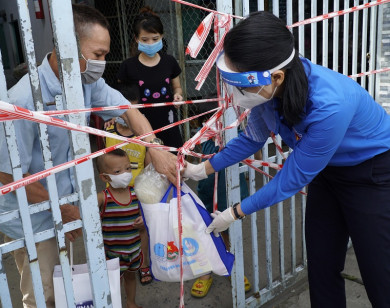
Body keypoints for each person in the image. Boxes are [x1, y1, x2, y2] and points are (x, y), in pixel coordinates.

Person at [183, 11, 390, 308]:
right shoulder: (270, 94)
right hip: (328, 173)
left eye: (240, 85)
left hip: (372, 174)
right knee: (321, 264)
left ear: (276, 76)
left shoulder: (330, 106)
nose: (237, 95)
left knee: (379, 272)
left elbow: (292, 178)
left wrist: (234, 212)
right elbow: (252, 138)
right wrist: (203, 168)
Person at [0, 4, 177, 307]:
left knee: (68, 284)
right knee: (46, 295)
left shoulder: (84, 83)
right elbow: (6, 175)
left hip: (68, 205)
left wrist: (155, 149)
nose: (102, 63)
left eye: (105, 55)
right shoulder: (23, 100)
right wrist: (60, 209)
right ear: (68, 47)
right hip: (32, 215)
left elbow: (129, 110)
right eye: (97, 55)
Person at [190, 103, 251, 297]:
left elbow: (253, 150)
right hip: (208, 193)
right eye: (212, 118)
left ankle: (232, 266)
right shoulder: (201, 134)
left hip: (232, 194)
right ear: (203, 121)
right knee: (206, 231)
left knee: (231, 233)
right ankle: (206, 272)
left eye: (221, 117)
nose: (217, 122)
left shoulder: (237, 131)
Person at [104, 82, 152, 285]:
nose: (127, 116)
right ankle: (115, 268)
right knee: (112, 232)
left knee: (141, 229)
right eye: (123, 110)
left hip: (137, 193)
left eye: (133, 110)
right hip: (112, 194)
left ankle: (143, 265)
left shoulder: (145, 134)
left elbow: (149, 170)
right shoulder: (107, 129)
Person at [117, 6, 184, 149]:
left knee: (173, 157)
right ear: (136, 39)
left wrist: (178, 95)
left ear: (162, 36)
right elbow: (119, 95)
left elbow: (177, 87)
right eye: (145, 39)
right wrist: (114, 116)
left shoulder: (169, 62)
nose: (150, 44)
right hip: (139, 124)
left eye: (155, 39)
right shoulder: (128, 66)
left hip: (168, 121)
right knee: (146, 161)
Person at [96, 149, 143, 308]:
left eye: (128, 168)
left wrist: (143, 221)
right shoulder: (103, 197)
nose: (125, 173)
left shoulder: (136, 193)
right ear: (104, 177)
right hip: (112, 254)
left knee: (131, 277)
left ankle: (131, 303)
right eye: (118, 171)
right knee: (113, 283)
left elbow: (147, 214)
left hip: (134, 250)